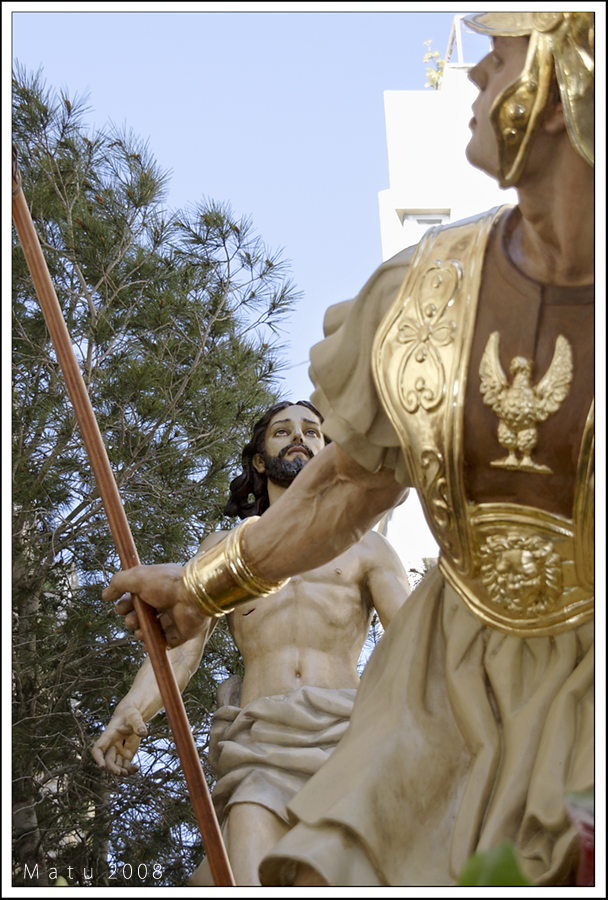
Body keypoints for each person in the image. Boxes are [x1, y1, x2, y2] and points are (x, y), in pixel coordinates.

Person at [102, 12, 595, 886]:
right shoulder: (426, 288)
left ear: (570, 79)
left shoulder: (372, 567)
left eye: (501, 53)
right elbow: (348, 486)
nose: (478, 74)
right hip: (455, 681)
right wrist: (196, 585)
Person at [92, 400, 411, 886]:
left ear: (328, 450)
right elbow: (182, 648)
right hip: (260, 743)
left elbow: (410, 643)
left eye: (313, 431)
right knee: (248, 874)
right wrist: (136, 704)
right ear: (260, 460)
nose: (300, 437)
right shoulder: (224, 547)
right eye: (283, 431)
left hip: (349, 737)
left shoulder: (368, 545)